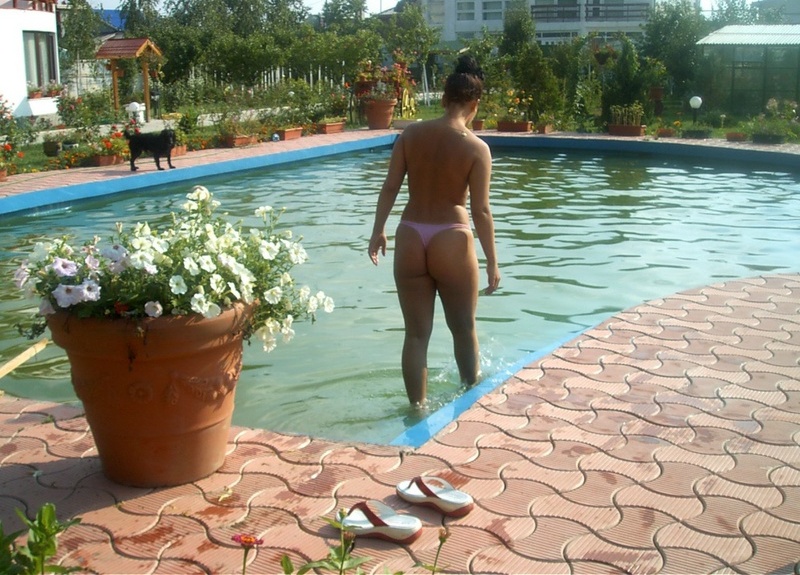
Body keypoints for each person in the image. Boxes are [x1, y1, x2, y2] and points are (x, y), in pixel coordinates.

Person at [368, 55, 500, 407]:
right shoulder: (477, 148)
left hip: (410, 233)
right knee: (464, 329)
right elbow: (481, 210)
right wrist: (492, 261)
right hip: (451, 237)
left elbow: (390, 186)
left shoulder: (410, 134)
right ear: (475, 103)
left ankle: (417, 409)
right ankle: (470, 405)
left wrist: (378, 230)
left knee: (415, 335)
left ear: (443, 99)